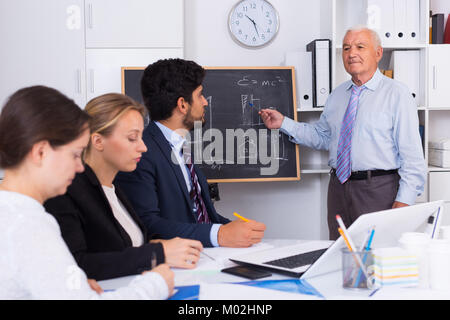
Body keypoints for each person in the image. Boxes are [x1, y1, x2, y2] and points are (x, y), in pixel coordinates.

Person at [0, 85, 173, 299]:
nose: (80, 167)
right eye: (74, 155)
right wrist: (156, 284)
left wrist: (74, 285)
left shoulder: (15, 214)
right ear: (41, 152)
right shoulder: (27, 224)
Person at [259, 26, 427, 240]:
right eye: (346, 48)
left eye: (360, 47)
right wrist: (283, 123)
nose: (351, 53)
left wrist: (403, 203)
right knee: (338, 255)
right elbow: (323, 137)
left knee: (376, 259)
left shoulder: (397, 95)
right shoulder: (337, 95)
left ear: (378, 53)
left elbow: (413, 159)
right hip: (338, 188)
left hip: (379, 190)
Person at [44, 93, 204, 281]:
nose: (143, 147)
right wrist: (156, 253)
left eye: (141, 137)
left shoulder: (115, 187)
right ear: (98, 141)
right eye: (132, 138)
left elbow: (121, 247)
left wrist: (154, 245)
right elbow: (77, 264)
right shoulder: (66, 192)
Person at [115, 58, 266, 248]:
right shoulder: (141, 153)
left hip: (202, 254)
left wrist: (234, 228)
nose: (205, 102)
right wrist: (220, 234)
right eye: (200, 95)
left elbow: (198, 213)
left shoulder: (179, 145)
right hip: (175, 264)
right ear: (182, 104)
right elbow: (147, 224)